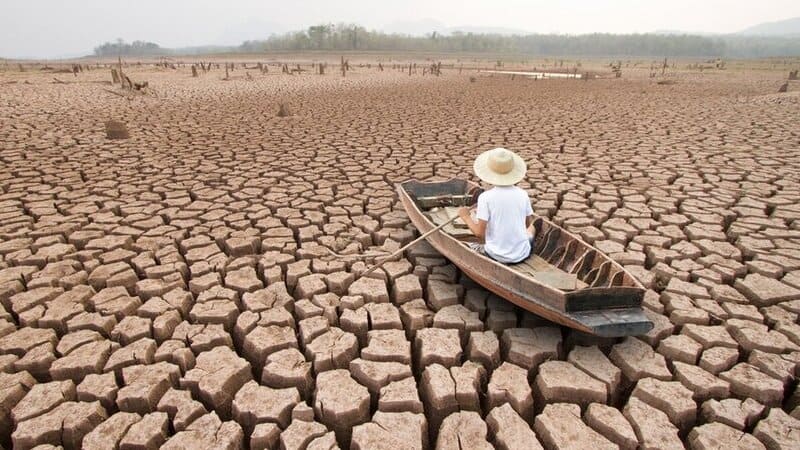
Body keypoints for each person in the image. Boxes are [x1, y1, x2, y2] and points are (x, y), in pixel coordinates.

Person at [458, 147, 534, 264]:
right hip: (523, 253)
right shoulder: (523, 194)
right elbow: (527, 224)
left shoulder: (486, 197)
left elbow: (480, 234)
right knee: (532, 229)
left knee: (472, 245)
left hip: (496, 255)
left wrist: (466, 217)